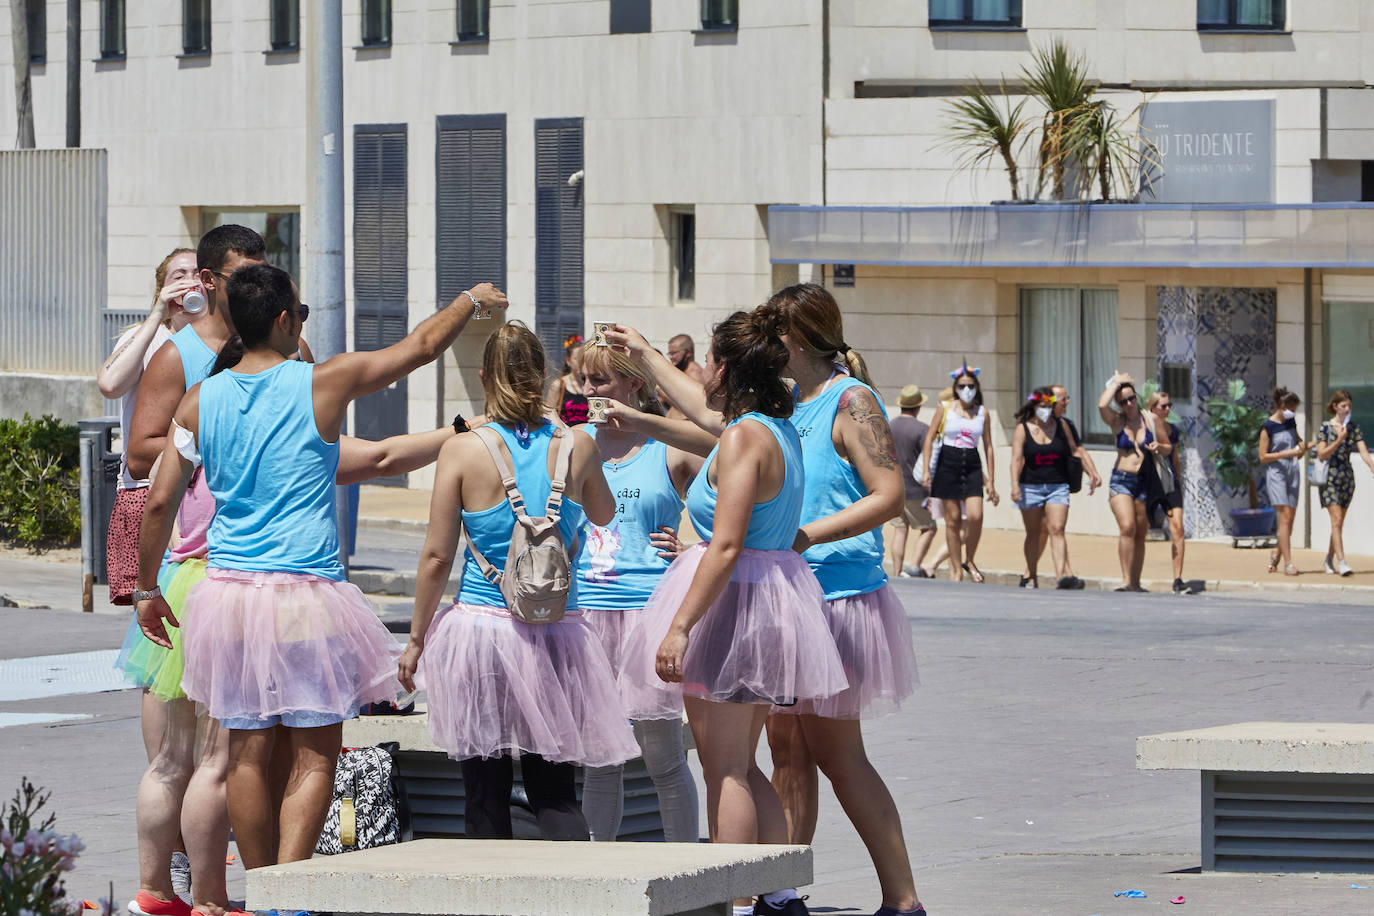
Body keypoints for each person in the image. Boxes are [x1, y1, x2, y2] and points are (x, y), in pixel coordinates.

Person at [136, 265, 507, 874]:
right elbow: (418, 348)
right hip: (306, 596)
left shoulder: (201, 400)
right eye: (302, 314)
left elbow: (159, 500)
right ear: (284, 320)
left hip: (228, 598)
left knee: (245, 755)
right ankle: (294, 894)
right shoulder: (322, 384)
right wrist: (471, 298)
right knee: (315, 755)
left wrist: (147, 586)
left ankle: (264, 890)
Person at [613, 311, 847, 916]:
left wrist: (681, 626)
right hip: (768, 597)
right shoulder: (776, 427)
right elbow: (701, 412)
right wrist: (642, 354)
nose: (705, 372)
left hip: (734, 602)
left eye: (713, 361)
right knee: (742, 761)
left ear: (729, 370)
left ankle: (736, 900)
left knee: (726, 770)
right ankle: (778, 890)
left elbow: (725, 544)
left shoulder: (745, 437)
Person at [399, 322, 637, 841]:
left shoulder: (461, 450)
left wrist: (416, 641)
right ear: (545, 374)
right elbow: (603, 513)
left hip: (483, 628)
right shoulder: (576, 444)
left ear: (486, 377)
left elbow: (438, 555)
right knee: (554, 789)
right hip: (557, 632)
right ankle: (572, 899)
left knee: (483, 791)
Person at [754, 284, 924, 916]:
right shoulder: (785, 402)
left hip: (839, 598)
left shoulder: (851, 400)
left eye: (772, 332)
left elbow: (888, 494)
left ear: (794, 339)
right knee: (787, 748)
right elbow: (711, 424)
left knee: (837, 754)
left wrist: (805, 536)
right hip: (793, 600)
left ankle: (903, 901)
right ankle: (782, 891)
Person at [572, 344, 709, 843]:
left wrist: (696, 548)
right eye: (582, 380)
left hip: (649, 612)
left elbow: (735, 457)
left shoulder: (666, 447)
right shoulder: (575, 442)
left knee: (663, 758)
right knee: (600, 760)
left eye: (600, 381)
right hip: (587, 613)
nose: (588, 391)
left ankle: (685, 876)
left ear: (634, 385)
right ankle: (597, 877)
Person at [921, 365, 998, 583]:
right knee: (952, 521)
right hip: (948, 461)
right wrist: (926, 469)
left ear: (977, 387)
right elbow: (929, 438)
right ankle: (955, 568)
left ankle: (969, 559)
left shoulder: (982, 412)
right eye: (962, 386)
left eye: (970, 386)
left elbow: (989, 446)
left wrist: (991, 480)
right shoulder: (945, 408)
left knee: (975, 515)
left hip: (972, 462)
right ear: (955, 387)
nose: (967, 389)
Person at [1098, 373, 1170, 592]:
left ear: (1137, 397)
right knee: (1127, 526)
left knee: (1140, 531)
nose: (1128, 404)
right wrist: (1117, 383)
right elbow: (1102, 404)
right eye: (1122, 401)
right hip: (1122, 480)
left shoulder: (1150, 419)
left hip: (1144, 480)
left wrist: (1158, 447)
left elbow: (1168, 447)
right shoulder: (1117, 421)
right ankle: (1125, 578)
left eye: (1131, 398)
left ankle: (1135, 582)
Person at [1009, 387, 1084, 590]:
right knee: (1033, 533)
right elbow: (1016, 459)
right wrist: (1014, 485)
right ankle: (1031, 575)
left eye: (1048, 406)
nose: (1046, 410)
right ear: (1034, 407)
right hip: (1030, 486)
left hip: (1058, 485)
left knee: (1057, 529)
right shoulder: (1022, 429)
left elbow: (1075, 449)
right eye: (1041, 407)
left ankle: (1062, 576)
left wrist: (1091, 472)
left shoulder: (1061, 425)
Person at [1315, 390, 1373, 576]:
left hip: (1346, 478)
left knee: (1338, 524)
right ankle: (1342, 561)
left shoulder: (1353, 427)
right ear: (1335, 407)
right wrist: (1339, 440)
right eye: (1343, 406)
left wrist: (1371, 465)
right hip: (1330, 478)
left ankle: (1328, 558)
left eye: (1349, 406)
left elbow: (1363, 449)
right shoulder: (1325, 428)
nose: (1347, 409)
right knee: (1336, 520)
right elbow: (1322, 454)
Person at [888, 384, 938, 579]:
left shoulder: (890, 425)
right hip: (916, 490)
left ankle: (896, 571)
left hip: (895, 488)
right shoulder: (923, 430)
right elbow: (928, 461)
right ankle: (914, 567)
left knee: (900, 530)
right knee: (929, 528)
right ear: (918, 407)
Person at [1258, 387, 1304, 577]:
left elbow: (1297, 441)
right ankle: (1289, 563)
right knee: (1284, 516)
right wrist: (1287, 453)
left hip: (1292, 470)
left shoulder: (1290, 422)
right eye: (1292, 409)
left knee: (1290, 519)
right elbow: (1263, 457)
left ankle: (1276, 554)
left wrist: (1301, 446)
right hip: (1277, 472)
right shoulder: (1267, 427)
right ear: (1283, 406)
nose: (1293, 413)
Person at [1145, 391, 1188, 594]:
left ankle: (1177, 578)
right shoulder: (1144, 427)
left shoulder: (1173, 430)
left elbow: (1176, 458)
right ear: (1152, 408)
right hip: (1149, 482)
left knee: (1178, 528)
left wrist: (1178, 484)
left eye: (1169, 405)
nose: (1167, 409)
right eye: (1163, 406)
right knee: (1139, 529)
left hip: (1169, 481)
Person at [545, 334, 589, 425]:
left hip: (589, 436)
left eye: (583, 359)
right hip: (567, 436)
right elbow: (548, 415)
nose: (580, 363)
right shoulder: (558, 385)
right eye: (577, 359)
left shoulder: (591, 384)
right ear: (568, 361)